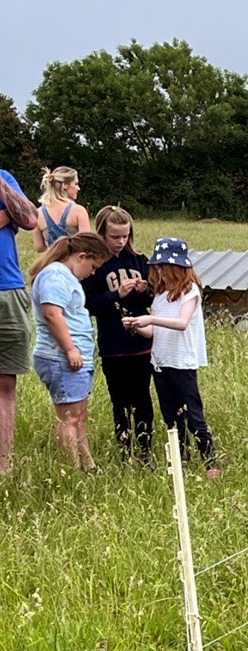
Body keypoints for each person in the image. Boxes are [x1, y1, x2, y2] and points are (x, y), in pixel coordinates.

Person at [123, 237, 219, 477]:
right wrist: (135, 325)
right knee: (172, 418)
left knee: (193, 416)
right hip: (160, 362)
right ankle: (180, 463)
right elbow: (153, 331)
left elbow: (182, 323)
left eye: (162, 266)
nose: (157, 271)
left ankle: (211, 465)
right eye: (157, 267)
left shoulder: (190, 291)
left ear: (176, 267)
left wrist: (151, 318)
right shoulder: (160, 295)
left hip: (182, 362)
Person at [29, 232, 111, 470]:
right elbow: (53, 314)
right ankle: (71, 469)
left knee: (79, 416)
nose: (92, 273)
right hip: (61, 356)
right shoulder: (55, 275)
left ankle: (88, 465)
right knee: (69, 418)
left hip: (74, 357)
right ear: (81, 256)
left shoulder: (66, 277)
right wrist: (71, 349)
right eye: (93, 267)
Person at [85, 206, 155, 462]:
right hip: (113, 345)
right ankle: (125, 451)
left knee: (143, 400)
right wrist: (117, 294)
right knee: (120, 402)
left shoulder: (139, 260)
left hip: (141, 344)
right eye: (115, 236)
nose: (120, 242)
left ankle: (145, 451)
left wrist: (145, 291)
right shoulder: (95, 265)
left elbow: (153, 300)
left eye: (125, 236)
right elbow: (90, 304)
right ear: (102, 233)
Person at [0, 168, 39, 474]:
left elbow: (29, 220)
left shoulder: (5, 178)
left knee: (5, 380)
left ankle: (4, 463)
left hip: (8, 289)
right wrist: (5, 218)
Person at [33, 167, 92, 252]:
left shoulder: (38, 213)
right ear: (65, 185)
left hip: (52, 262)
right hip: (75, 263)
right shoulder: (79, 211)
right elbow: (87, 243)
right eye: (76, 184)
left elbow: (39, 247)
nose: (78, 188)